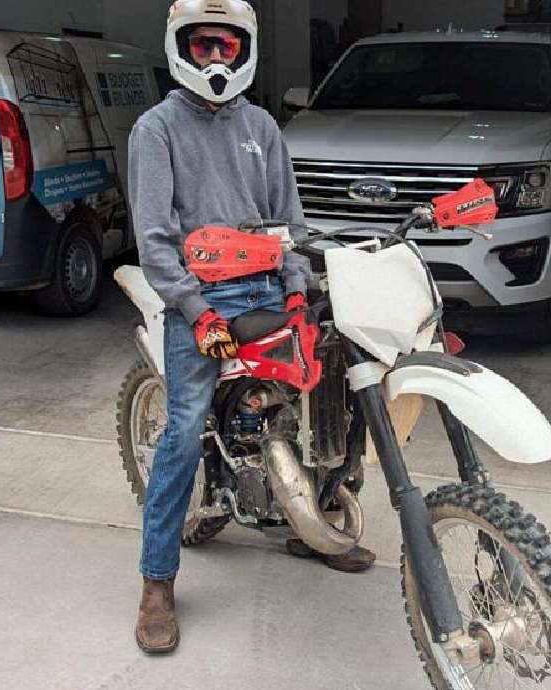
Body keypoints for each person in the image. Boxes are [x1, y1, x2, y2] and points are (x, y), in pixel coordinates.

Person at [127, 0, 374, 656]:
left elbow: (287, 225)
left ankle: (308, 524)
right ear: (182, 46)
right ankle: (157, 582)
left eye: (225, 48)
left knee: (329, 395)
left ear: (244, 52)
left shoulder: (263, 126)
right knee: (181, 428)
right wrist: (196, 310)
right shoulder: (156, 129)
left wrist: (297, 291)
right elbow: (153, 241)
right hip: (197, 300)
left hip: (264, 290)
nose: (213, 59)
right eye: (202, 46)